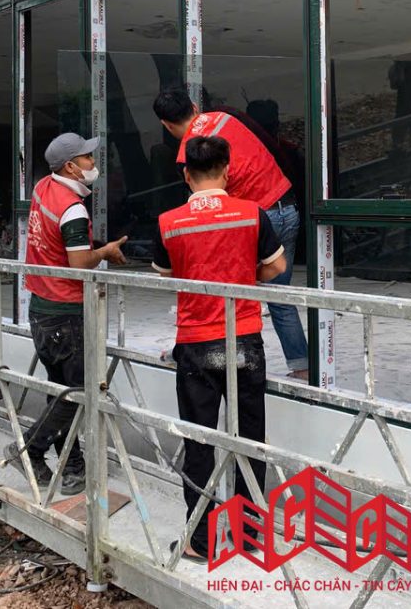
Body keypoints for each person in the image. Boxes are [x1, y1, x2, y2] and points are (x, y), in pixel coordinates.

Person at [152, 135, 286, 562]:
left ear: (186, 175)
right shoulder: (252, 214)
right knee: (249, 439)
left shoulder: (169, 221)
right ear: (227, 170)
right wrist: (245, 274)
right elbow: (278, 266)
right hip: (244, 339)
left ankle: (202, 540)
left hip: (195, 343)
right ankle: (249, 534)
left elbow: (167, 273)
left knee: (200, 441)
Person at [153, 87, 309, 380]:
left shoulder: (190, 154)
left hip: (255, 218)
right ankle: (302, 368)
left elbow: (207, 203)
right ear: (194, 106)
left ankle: (193, 352)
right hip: (287, 206)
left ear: (166, 124)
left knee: (215, 290)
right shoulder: (226, 117)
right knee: (279, 296)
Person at [5, 133, 127, 495]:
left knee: (60, 390)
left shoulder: (43, 187)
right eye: (87, 158)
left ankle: (73, 467)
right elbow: (79, 262)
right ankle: (29, 450)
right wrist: (104, 251)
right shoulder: (73, 208)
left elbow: (55, 242)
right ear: (71, 167)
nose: (93, 163)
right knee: (77, 392)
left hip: (41, 308)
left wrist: (92, 245)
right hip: (66, 313)